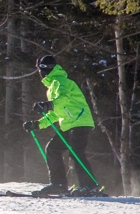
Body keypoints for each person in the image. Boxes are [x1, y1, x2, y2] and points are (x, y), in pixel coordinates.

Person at [23, 54, 101, 197]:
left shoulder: (61, 82)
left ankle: (89, 186)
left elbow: (63, 99)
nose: (39, 74)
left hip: (80, 122)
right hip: (69, 124)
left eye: (39, 70)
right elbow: (55, 113)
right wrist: (37, 124)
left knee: (76, 152)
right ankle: (59, 185)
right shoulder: (52, 86)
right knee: (52, 149)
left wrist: (48, 104)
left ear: (43, 70)